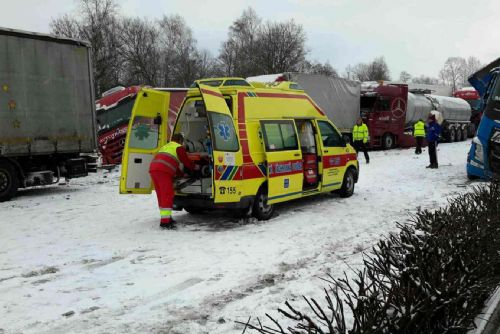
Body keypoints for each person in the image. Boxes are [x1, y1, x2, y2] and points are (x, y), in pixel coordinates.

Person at [149, 133, 197, 229]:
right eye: (182, 141)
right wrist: (195, 167)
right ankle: (165, 223)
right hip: (163, 171)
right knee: (167, 194)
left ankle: (167, 218)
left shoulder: (166, 146)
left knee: (161, 195)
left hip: (153, 169)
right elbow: (185, 161)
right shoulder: (179, 147)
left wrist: (181, 175)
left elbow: (172, 163)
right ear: (180, 140)